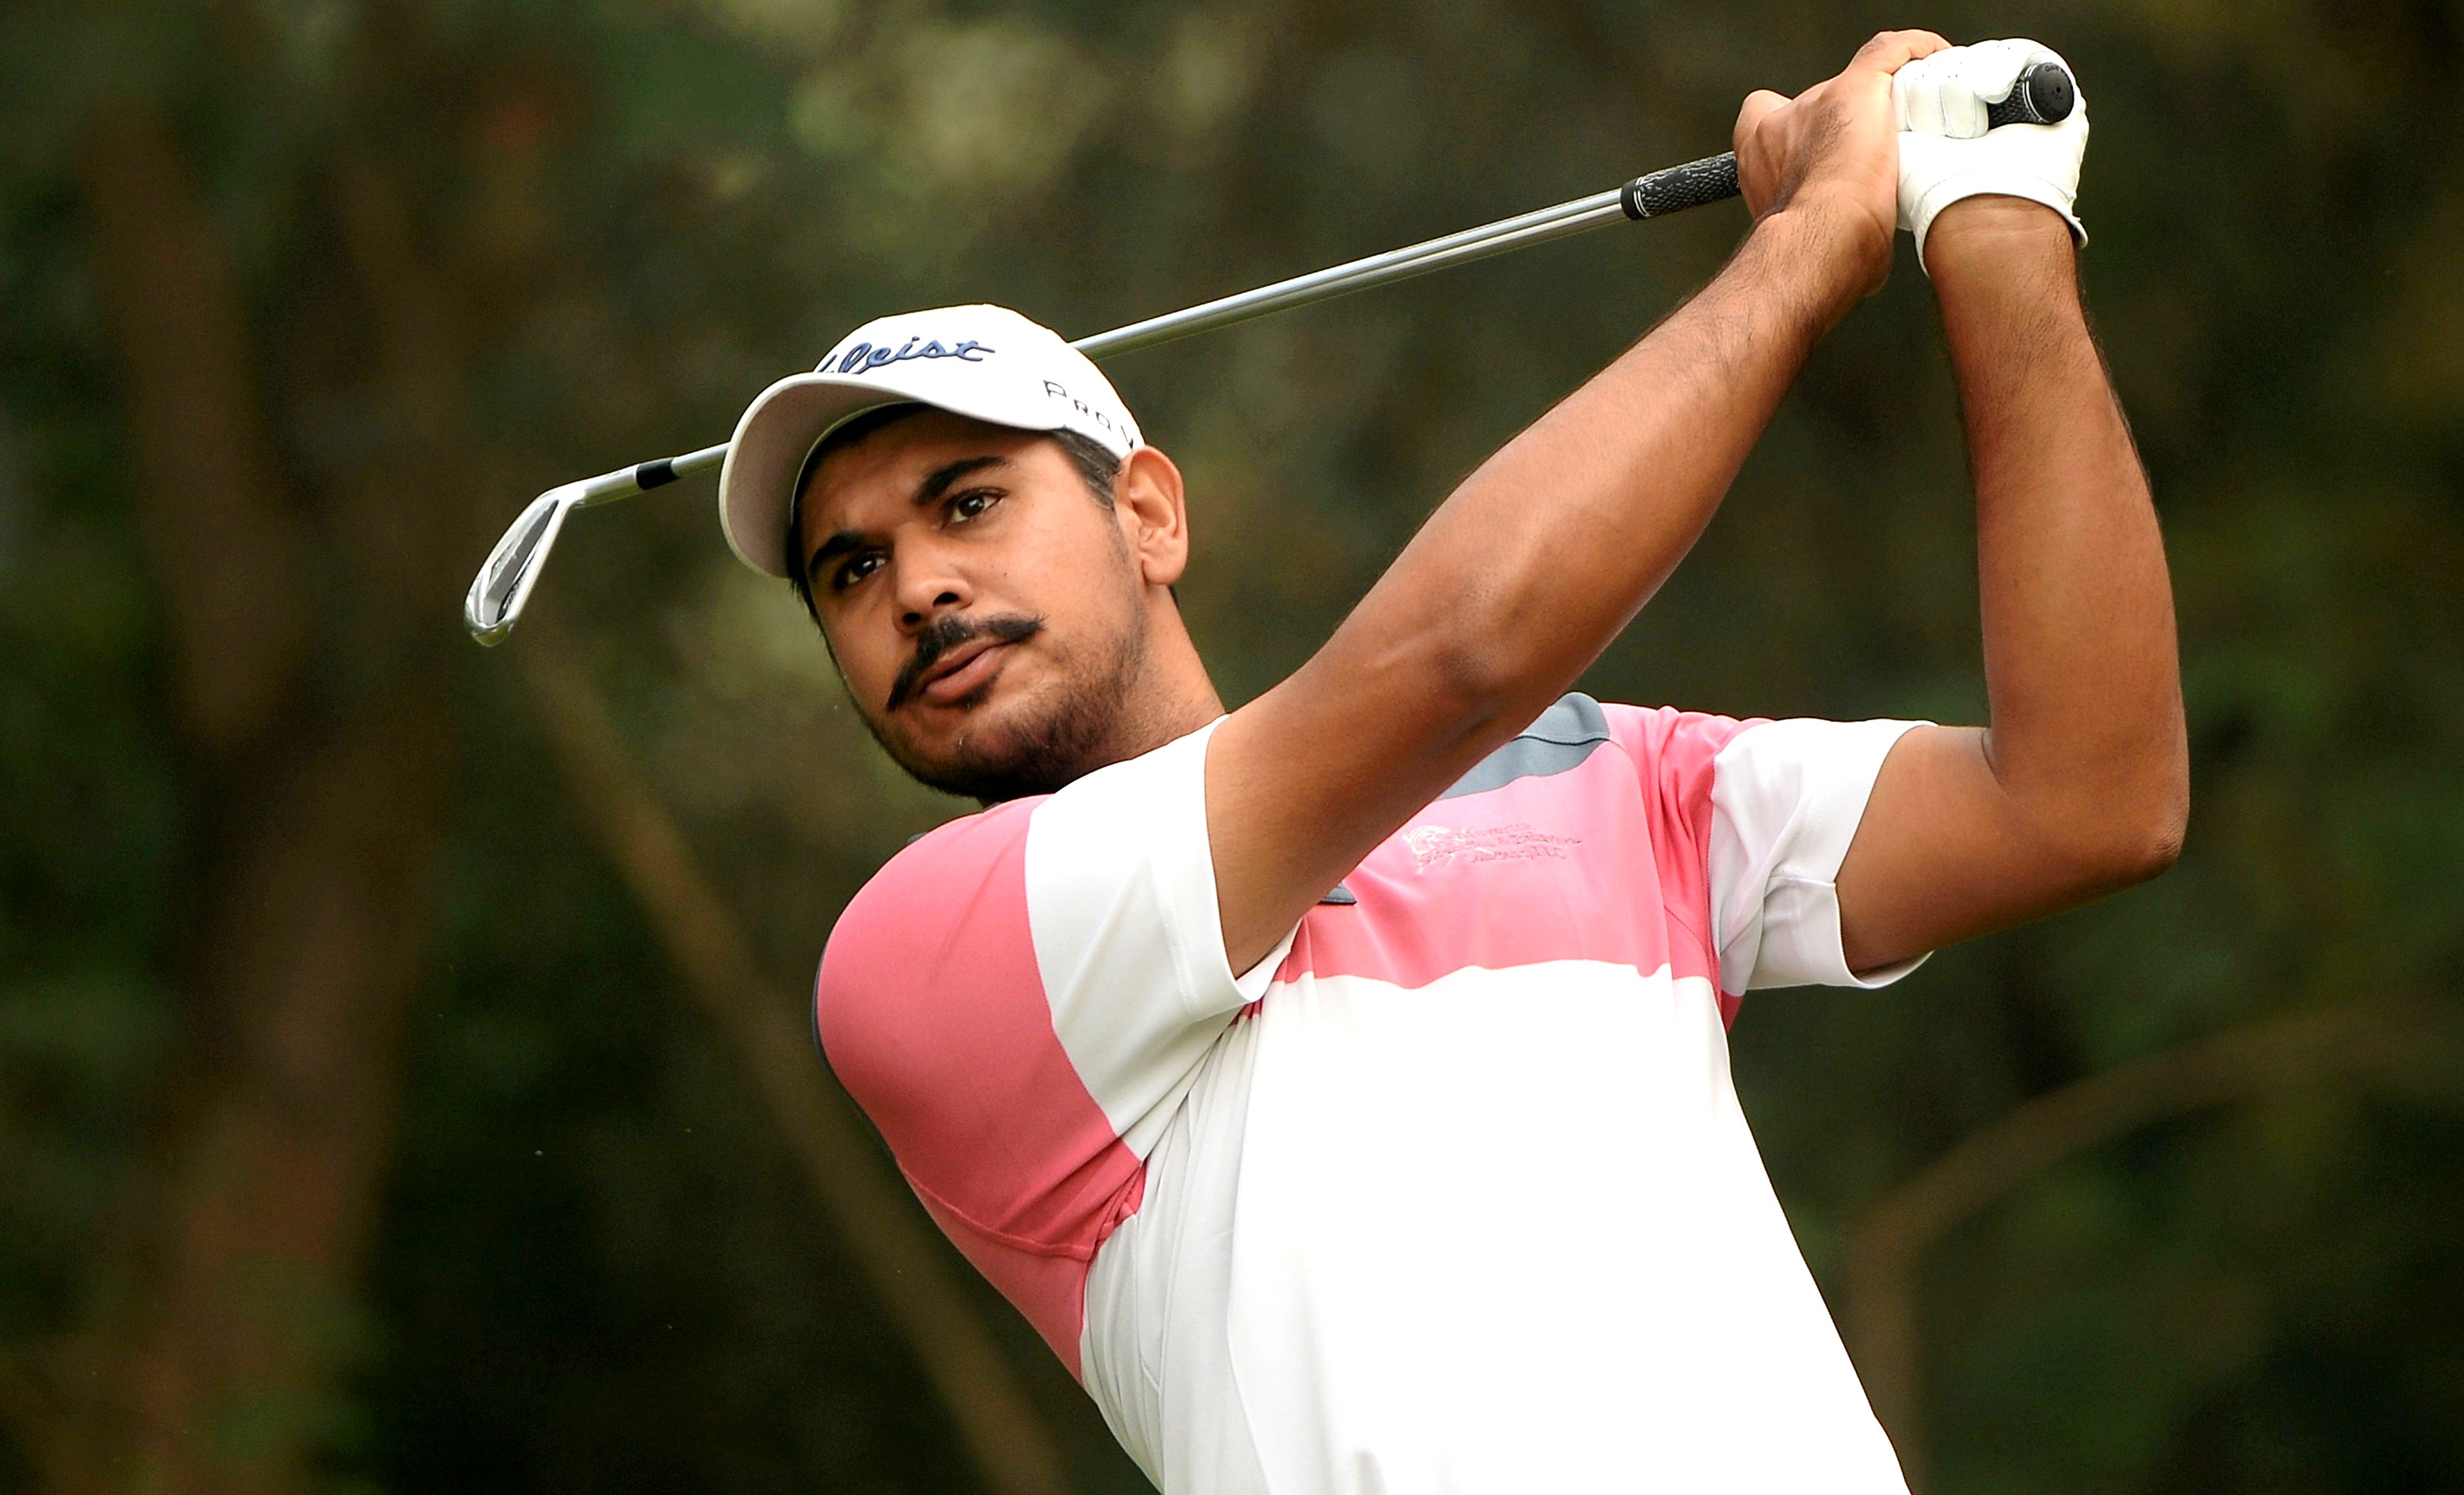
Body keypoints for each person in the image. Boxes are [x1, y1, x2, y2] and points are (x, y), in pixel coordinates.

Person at [710, 30, 2183, 1493]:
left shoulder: (1596, 772)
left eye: (967, 503)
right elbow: (1462, 657)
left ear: (1147, 515)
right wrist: (1812, 244)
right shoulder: (926, 956)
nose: (916, 588)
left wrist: (1997, 223)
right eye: (850, 569)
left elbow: (2083, 802)